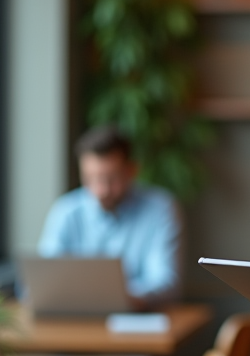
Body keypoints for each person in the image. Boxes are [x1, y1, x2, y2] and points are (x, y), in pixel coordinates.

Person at [38, 125, 182, 310]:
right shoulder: (65, 211)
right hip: (75, 319)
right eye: (91, 179)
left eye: (111, 179)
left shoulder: (161, 209)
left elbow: (165, 280)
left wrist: (122, 297)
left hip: (138, 320)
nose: (101, 190)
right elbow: (45, 276)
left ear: (132, 170)